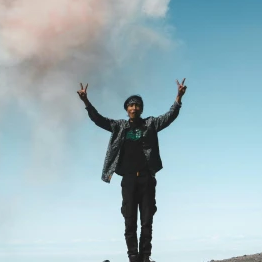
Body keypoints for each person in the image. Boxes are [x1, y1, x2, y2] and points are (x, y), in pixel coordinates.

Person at [77, 80, 188, 262]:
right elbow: (99, 120)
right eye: (131, 105)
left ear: (141, 109)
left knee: (147, 219)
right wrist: (86, 102)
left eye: (137, 105)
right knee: (129, 220)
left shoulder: (151, 124)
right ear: (126, 109)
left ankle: (145, 257)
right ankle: (133, 257)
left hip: (147, 179)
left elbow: (170, 116)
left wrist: (179, 97)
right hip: (128, 180)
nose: (134, 108)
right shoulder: (119, 126)